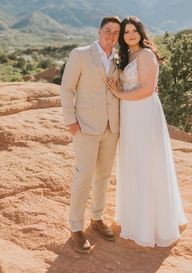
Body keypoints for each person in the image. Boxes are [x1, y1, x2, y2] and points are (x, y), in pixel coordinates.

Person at [107, 16, 187, 248]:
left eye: (134, 30)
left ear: (141, 33)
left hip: (143, 113)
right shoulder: (127, 56)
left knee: (147, 162)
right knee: (133, 162)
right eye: (126, 32)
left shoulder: (146, 55)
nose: (130, 34)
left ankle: (151, 224)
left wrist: (119, 94)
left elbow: (147, 90)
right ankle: (135, 216)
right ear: (122, 36)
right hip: (130, 115)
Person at [60, 16, 121, 253]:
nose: (112, 36)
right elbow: (67, 88)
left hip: (111, 128)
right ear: (98, 31)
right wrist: (70, 121)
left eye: (116, 32)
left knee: (103, 176)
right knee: (83, 176)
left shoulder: (118, 58)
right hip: (85, 126)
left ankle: (97, 218)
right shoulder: (81, 54)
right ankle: (76, 227)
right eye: (108, 31)